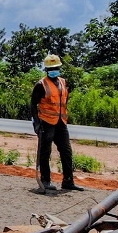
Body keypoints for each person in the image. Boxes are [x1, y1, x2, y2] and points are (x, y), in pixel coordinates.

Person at [30, 54, 84, 193]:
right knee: (45, 152)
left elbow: (65, 100)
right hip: (46, 123)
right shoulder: (40, 85)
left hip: (61, 122)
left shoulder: (64, 82)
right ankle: (45, 181)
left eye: (56, 67)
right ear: (46, 69)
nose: (54, 70)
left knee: (66, 151)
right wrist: (36, 122)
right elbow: (33, 105)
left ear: (59, 67)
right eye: (51, 68)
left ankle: (68, 181)